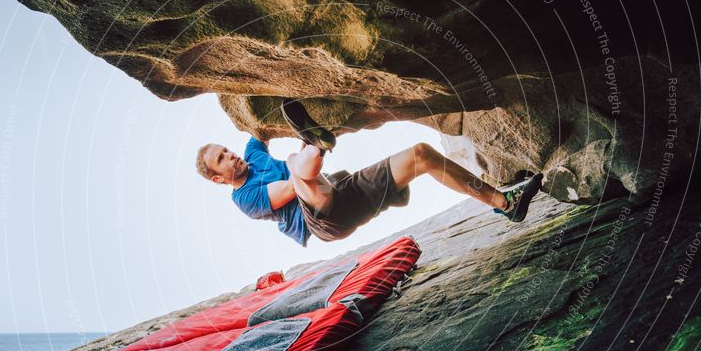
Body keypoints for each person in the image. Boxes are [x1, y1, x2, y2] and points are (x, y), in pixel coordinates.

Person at [196, 99, 543, 247]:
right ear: (217, 178)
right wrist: (304, 152)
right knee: (299, 173)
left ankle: (504, 202)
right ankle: (315, 145)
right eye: (221, 160)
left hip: (343, 189)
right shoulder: (244, 198)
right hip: (322, 220)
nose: (230, 156)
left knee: (421, 154)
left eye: (226, 150)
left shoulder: (252, 154)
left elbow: (259, 128)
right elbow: (288, 188)